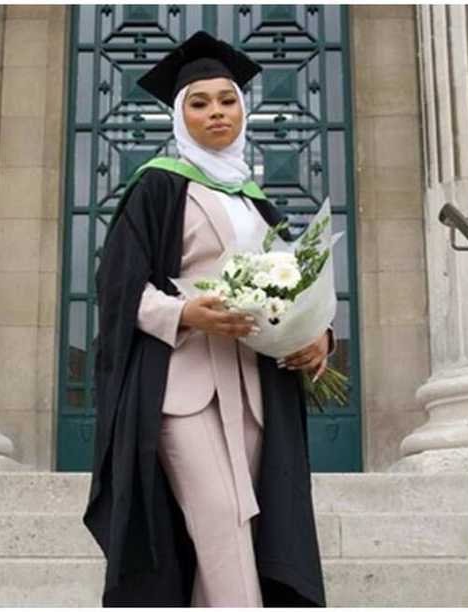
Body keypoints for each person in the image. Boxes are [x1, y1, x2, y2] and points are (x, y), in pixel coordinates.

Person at [83, 31, 331, 607]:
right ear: (180, 113)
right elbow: (118, 288)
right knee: (219, 517)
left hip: (251, 388)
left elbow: (294, 286)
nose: (215, 112)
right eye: (199, 102)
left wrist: (319, 335)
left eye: (227, 100)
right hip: (178, 386)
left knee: (237, 529)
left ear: (243, 109)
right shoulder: (158, 187)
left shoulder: (255, 199)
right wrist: (183, 311)